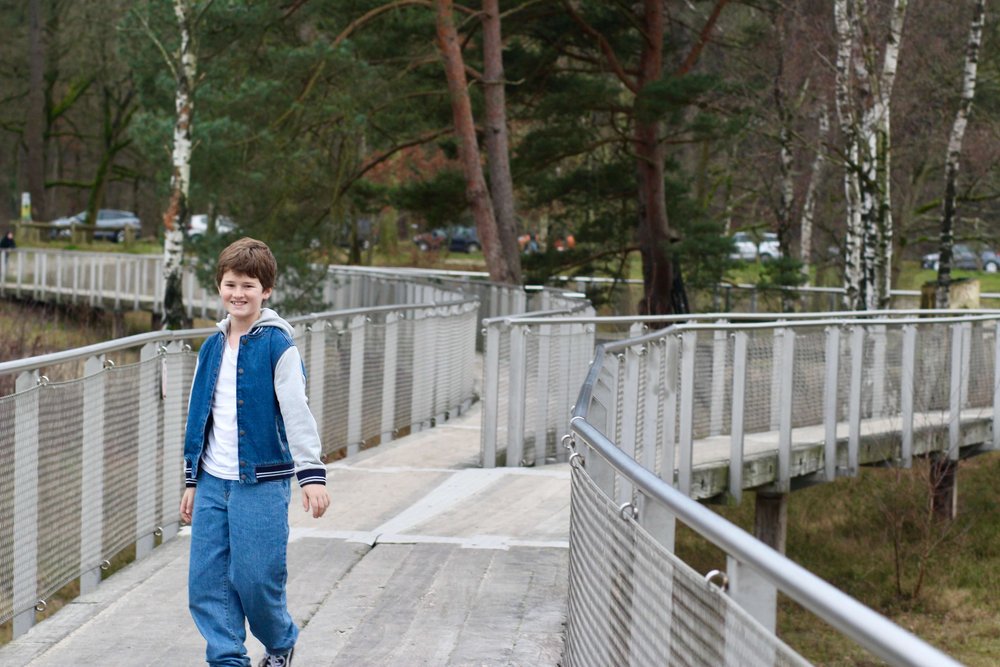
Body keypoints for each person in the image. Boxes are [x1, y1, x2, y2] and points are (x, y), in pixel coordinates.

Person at [180, 237, 330, 667]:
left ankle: (280, 641)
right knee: (207, 584)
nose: (238, 294)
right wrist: (192, 479)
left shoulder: (276, 346)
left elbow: (297, 412)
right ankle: (227, 659)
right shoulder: (210, 348)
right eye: (230, 284)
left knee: (255, 579)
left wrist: (312, 475)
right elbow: (198, 415)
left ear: (266, 291)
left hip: (260, 483)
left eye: (248, 285)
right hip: (212, 482)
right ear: (220, 287)